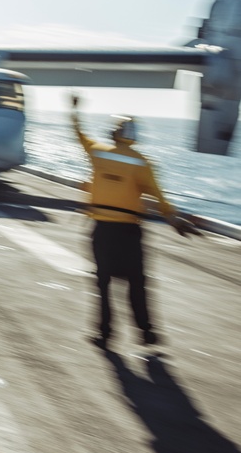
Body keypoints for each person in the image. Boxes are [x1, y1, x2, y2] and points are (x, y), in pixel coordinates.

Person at [70, 92, 199, 349]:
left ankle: (105, 334)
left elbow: (79, 134)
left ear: (113, 133)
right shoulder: (142, 163)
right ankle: (147, 332)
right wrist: (174, 219)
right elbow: (159, 197)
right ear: (133, 136)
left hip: (103, 230)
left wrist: (74, 111)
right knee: (137, 283)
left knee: (103, 283)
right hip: (130, 233)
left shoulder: (98, 152)